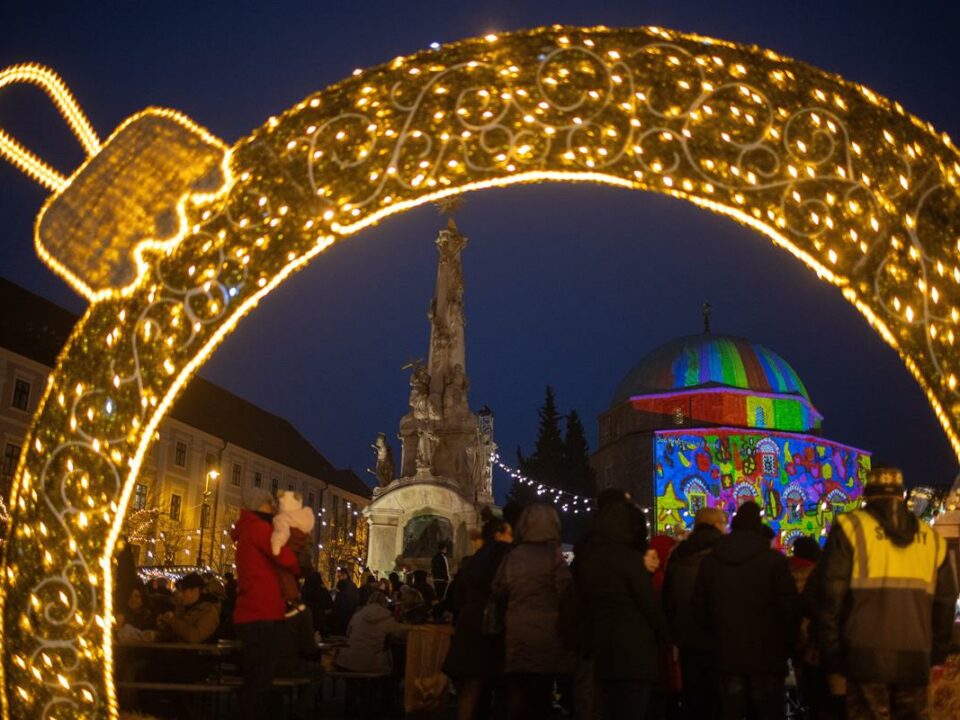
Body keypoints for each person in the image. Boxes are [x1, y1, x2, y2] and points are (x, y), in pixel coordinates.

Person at [817, 467, 957, 720]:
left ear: (868, 494)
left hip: (863, 660)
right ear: (901, 496)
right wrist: (935, 653)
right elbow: (946, 603)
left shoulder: (850, 528)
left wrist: (834, 657)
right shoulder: (932, 539)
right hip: (915, 661)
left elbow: (829, 598)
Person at [694, 501, 800, 720]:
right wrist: (787, 645)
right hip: (768, 656)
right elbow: (789, 608)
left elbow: (700, 609)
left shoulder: (712, 561)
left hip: (727, 653)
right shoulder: (774, 561)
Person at [577, 501, 669, 720]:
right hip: (633, 653)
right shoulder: (630, 559)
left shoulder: (592, 558)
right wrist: (666, 634)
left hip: (603, 650)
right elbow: (648, 604)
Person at [492, 504, 576, 720]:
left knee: (518, 693)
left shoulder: (514, 555)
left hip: (517, 630)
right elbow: (565, 591)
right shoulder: (553, 556)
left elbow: (498, 588)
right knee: (541, 693)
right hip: (547, 633)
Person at [232, 487, 305, 720]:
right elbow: (285, 557)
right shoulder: (259, 528)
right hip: (263, 613)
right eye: (269, 503)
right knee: (259, 683)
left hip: (249, 613)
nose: (273, 507)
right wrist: (295, 565)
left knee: (255, 679)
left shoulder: (245, 530)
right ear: (260, 506)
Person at [443, 516, 514, 720]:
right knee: (501, 687)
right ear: (498, 534)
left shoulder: (472, 561)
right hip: (494, 626)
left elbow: (456, 596)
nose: (512, 536)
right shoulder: (505, 554)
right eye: (509, 532)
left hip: (469, 625)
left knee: (471, 688)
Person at [662, 506, 727, 720]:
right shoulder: (724, 552)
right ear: (716, 524)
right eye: (724, 523)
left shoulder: (678, 553)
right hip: (718, 637)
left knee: (694, 698)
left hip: (686, 639)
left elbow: (668, 597)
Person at [335, 591, 410, 674]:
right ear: (384, 603)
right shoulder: (387, 617)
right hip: (372, 662)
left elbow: (348, 633)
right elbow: (402, 634)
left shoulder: (358, 615)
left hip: (348, 661)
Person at [156, 572, 221, 643]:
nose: (180, 595)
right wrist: (165, 624)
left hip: (198, 652)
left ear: (195, 591)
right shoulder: (183, 607)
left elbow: (195, 636)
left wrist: (172, 621)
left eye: (184, 592)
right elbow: (176, 633)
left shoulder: (209, 611)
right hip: (179, 651)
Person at [302, 569, 334, 637]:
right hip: (319, 619)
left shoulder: (305, 589)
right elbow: (329, 603)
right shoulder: (321, 589)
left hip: (306, 620)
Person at [331, 567, 360, 636]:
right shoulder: (353, 585)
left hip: (341, 614)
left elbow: (339, 599)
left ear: (344, 575)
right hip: (350, 613)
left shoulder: (342, 584)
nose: (338, 578)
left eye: (339, 576)